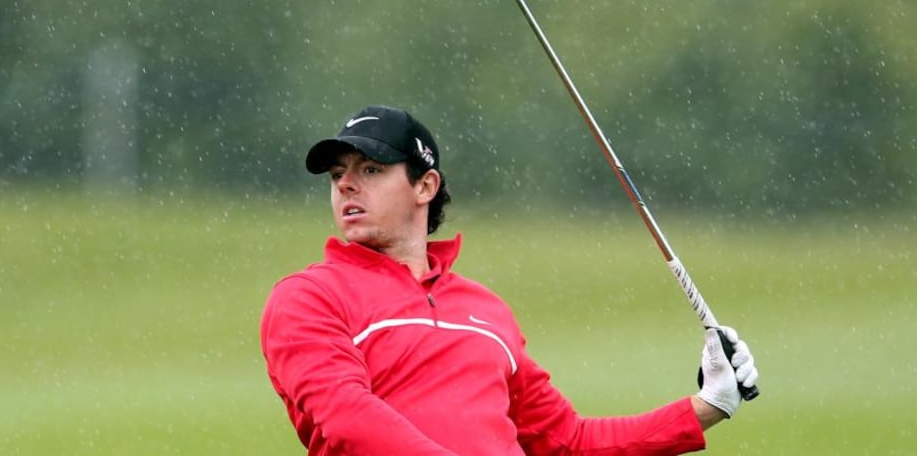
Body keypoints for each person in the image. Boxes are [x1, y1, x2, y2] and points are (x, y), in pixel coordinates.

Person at [260, 105, 759, 455]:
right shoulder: (307, 298)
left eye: (370, 168)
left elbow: (567, 442)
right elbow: (348, 417)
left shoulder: (486, 310)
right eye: (337, 175)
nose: (346, 183)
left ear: (424, 185)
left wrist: (704, 407)